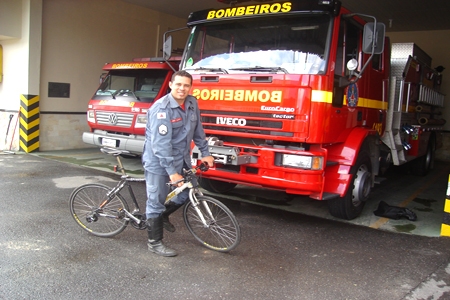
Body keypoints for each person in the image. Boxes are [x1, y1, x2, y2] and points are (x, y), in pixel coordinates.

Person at [142, 70, 214, 257]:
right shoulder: (161, 109)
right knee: (156, 201)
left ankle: (163, 215)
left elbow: (198, 130)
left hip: (181, 158)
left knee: (188, 191)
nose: (182, 88)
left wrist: (205, 153)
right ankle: (154, 243)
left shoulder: (192, 102)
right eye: (179, 84)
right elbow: (160, 145)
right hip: (159, 162)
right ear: (171, 85)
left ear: (191, 87)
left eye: (186, 85)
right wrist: (172, 173)